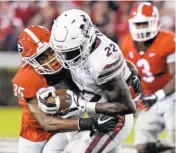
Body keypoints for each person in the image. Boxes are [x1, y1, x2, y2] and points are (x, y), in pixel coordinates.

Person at [12, 25, 129, 153]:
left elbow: (104, 65)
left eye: (51, 51)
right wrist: (90, 123)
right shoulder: (26, 79)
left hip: (68, 122)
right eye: (42, 58)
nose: (51, 59)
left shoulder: (71, 57)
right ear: (31, 62)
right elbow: (46, 122)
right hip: (37, 128)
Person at [47, 9, 140, 153]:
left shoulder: (101, 61)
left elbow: (126, 106)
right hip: (96, 111)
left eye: (70, 52)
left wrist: (82, 105)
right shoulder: (84, 41)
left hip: (113, 119)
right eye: (61, 52)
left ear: (86, 40)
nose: (64, 58)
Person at [120, 2, 175, 153]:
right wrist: (135, 96)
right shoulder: (126, 44)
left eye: (145, 23)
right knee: (142, 146)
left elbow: (175, 78)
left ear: (156, 22)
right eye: (138, 24)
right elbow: (128, 77)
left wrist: (158, 96)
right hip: (151, 100)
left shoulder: (169, 40)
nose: (142, 28)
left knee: (174, 134)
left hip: (172, 97)